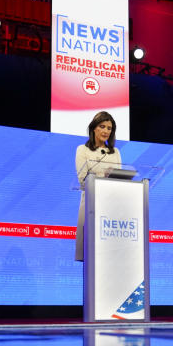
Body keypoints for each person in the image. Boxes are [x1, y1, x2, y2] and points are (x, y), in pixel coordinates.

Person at [74, 111, 121, 261]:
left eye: (109, 128)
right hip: (90, 204)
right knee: (90, 254)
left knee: (109, 255)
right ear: (94, 128)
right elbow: (82, 180)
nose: (106, 131)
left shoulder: (115, 152)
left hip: (110, 205)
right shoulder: (83, 150)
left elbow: (120, 179)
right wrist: (103, 176)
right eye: (102, 126)